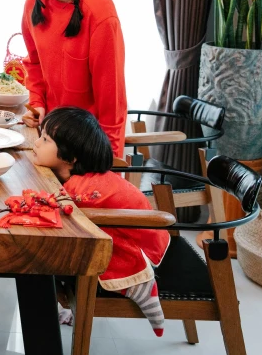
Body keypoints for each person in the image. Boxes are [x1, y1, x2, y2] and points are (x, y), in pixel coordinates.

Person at [32, 107, 170, 336]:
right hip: (146, 235)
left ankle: (141, 286)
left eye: (45, 139)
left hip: (142, 250)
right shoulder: (77, 178)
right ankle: (56, 305)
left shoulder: (83, 191)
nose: (37, 143)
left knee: (45, 249)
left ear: (71, 157)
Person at [18, 0, 127, 157]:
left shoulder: (100, 12)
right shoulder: (33, 4)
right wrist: (37, 103)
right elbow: (34, 65)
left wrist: (111, 162)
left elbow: (112, 101)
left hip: (85, 150)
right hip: (48, 138)